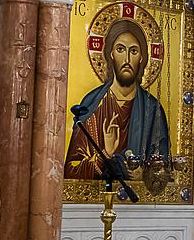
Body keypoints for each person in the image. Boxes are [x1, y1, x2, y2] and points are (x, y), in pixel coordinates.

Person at [64, 18, 171, 180]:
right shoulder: (92, 106)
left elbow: (165, 169)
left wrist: (145, 174)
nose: (127, 60)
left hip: (137, 196)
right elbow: (71, 170)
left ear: (141, 57)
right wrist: (105, 155)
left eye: (133, 51)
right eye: (120, 49)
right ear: (111, 54)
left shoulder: (153, 110)